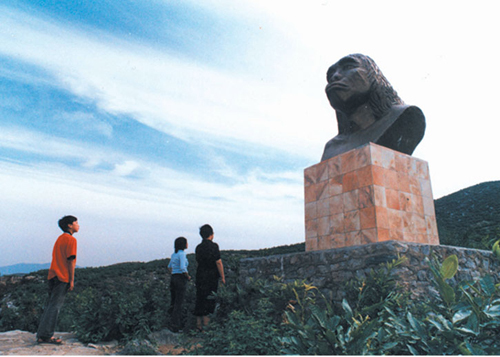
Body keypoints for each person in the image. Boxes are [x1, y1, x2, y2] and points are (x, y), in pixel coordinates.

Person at [321, 53, 426, 161]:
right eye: (330, 76)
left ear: (373, 76)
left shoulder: (405, 116)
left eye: (348, 67)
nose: (335, 76)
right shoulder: (332, 147)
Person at [36, 215, 79, 345]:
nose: (78, 225)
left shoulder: (60, 239)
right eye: (76, 223)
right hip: (63, 276)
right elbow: (71, 261)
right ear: (70, 225)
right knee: (55, 307)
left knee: (50, 305)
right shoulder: (71, 240)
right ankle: (46, 336)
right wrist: (72, 280)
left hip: (53, 275)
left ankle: (42, 334)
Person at [194, 224, 225, 332]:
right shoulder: (214, 246)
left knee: (200, 298)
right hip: (211, 276)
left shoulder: (198, 247)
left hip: (200, 275)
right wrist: (223, 277)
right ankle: (207, 328)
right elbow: (218, 262)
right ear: (211, 234)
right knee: (209, 300)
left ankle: (198, 325)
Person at [167, 237, 191, 332]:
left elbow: (169, 267)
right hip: (180, 278)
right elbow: (182, 267)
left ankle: (171, 323)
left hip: (173, 278)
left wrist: (174, 274)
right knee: (179, 302)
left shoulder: (174, 254)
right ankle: (176, 326)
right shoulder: (182, 254)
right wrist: (187, 276)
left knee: (173, 301)